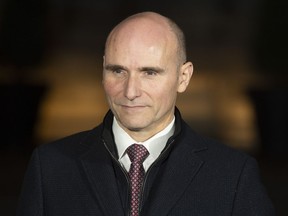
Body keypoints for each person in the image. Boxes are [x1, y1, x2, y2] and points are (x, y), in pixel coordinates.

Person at [17, 11, 275, 216]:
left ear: (183, 77)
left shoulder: (232, 175)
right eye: (117, 71)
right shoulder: (51, 167)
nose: (130, 91)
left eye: (149, 72)